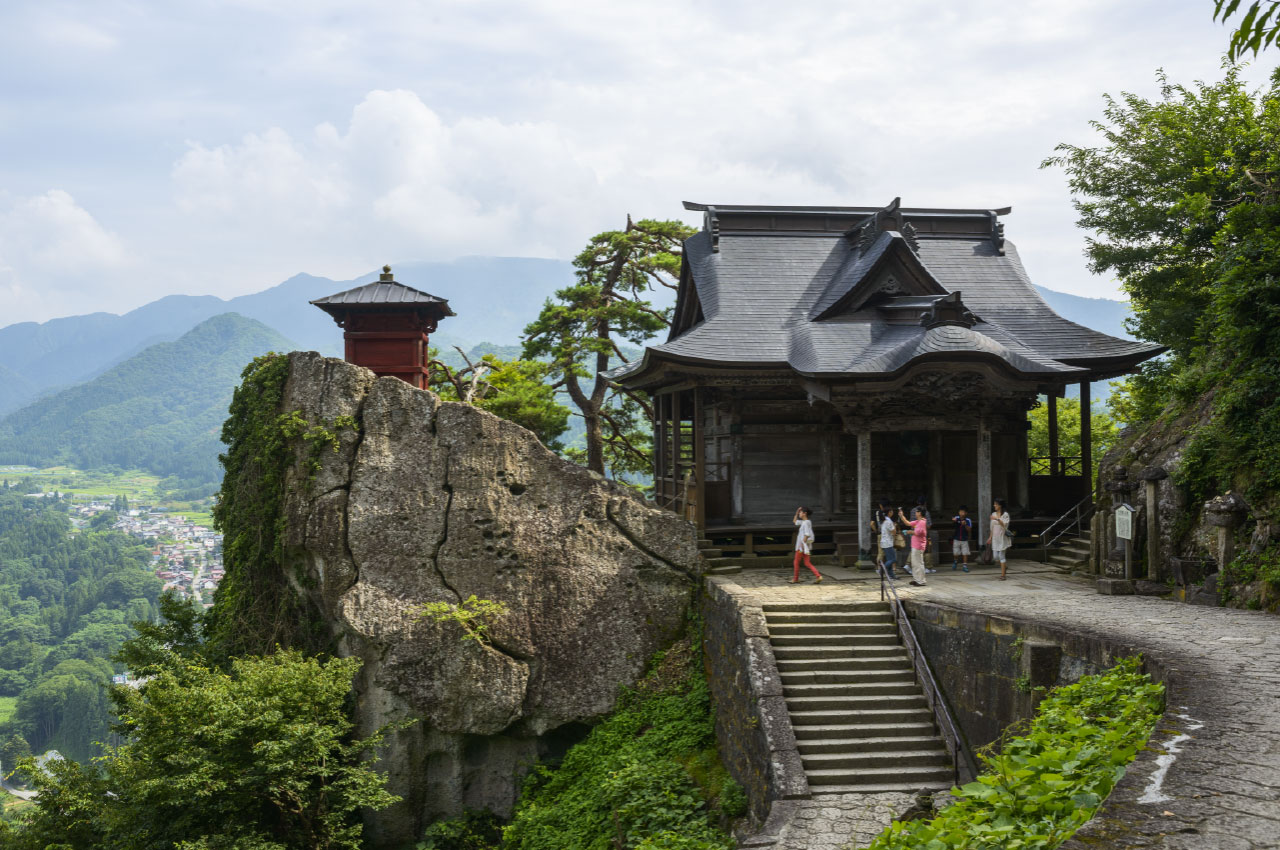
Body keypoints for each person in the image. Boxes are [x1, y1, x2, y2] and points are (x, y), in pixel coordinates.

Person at [897, 507, 929, 586]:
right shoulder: (918, 521)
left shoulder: (922, 522)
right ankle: (917, 579)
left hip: (918, 545)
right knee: (915, 563)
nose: (915, 513)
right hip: (916, 545)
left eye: (917, 512)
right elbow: (908, 523)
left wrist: (908, 532)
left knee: (918, 564)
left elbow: (917, 533)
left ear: (920, 513)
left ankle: (921, 581)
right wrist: (902, 516)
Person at [791, 506, 822, 584]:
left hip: (801, 547)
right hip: (805, 547)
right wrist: (797, 513)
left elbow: (807, 534)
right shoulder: (806, 522)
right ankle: (818, 576)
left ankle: (795, 578)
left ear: (805, 513)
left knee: (796, 562)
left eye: (801, 512)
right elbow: (795, 522)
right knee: (807, 563)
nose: (800, 514)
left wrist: (802, 544)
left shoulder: (805, 523)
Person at [990, 498, 1011, 580]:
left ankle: (1003, 575)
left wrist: (997, 519)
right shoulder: (993, 513)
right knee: (995, 557)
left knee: (1001, 556)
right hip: (995, 538)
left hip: (1002, 537)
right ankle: (1004, 567)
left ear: (1000, 505)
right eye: (994, 504)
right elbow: (992, 527)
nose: (994, 505)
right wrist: (990, 537)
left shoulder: (1005, 514)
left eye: (996, 504)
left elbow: (1005, 525)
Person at [879, 505, 899, 580]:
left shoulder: (884, 521)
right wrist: (895, 526)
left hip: (884, 542)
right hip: (888, 543)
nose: (893, 512)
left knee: (889, 559)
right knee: (893, 559)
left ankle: (891, 575)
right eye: (892, 511)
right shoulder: (889, 521)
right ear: (889, 512)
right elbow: (894, 532)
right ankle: (882, 569)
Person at [951, 505, 973, 572]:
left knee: (965, 553)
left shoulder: (968, 520)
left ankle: (965, 565)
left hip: (964, 539)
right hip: (956, 538)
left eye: (963, 512)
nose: (961, 513)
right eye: (960, 512)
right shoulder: (956, 518)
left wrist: (965, 524)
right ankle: (955, 561)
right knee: (956, 553)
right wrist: (954, 521)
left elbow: (969, 529)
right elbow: (953, 522)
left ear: (966, 513)